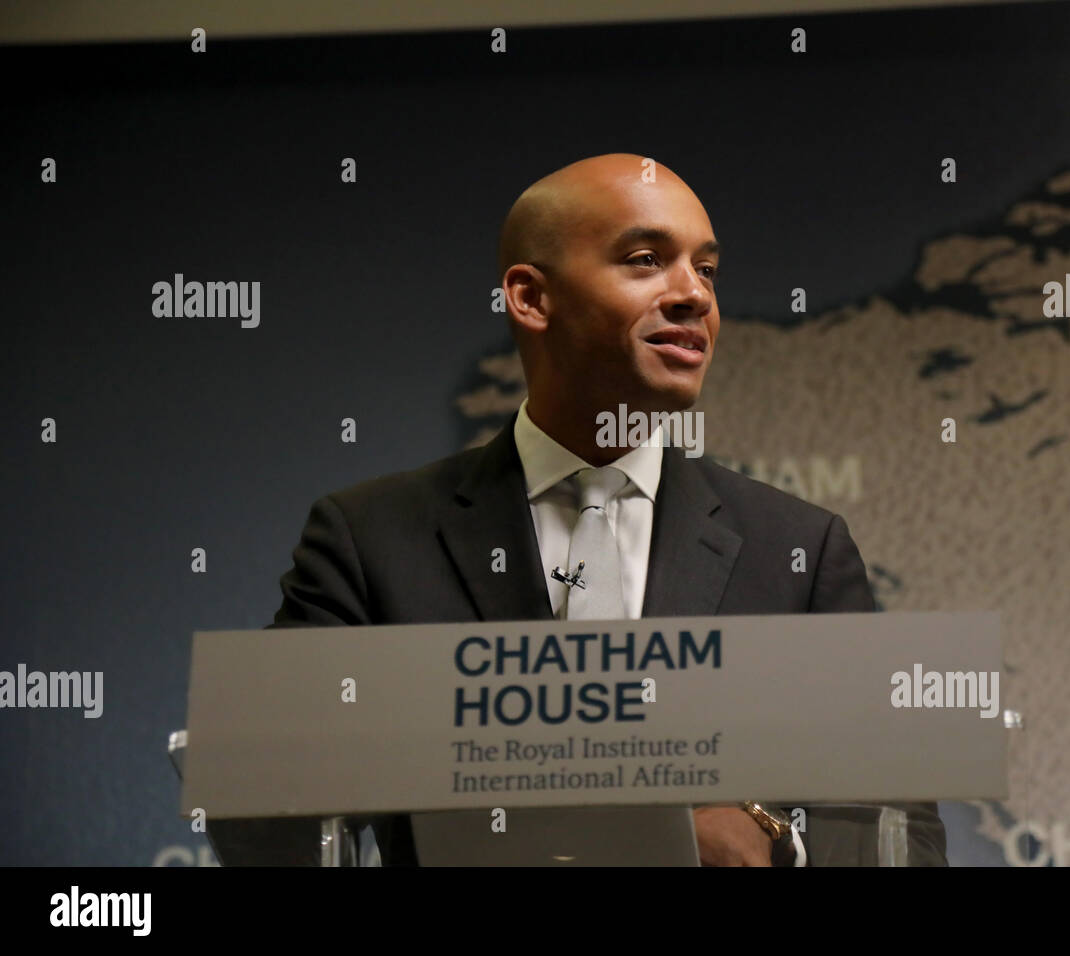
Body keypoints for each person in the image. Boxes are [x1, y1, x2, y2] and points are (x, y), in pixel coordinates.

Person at [268, 153, 946, 866]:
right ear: (531, 298)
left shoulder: (799, 551)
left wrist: (777, 842)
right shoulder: (369, 538)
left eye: (707, 270)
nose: (694, 296)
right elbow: (272, 795)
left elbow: (903, 832)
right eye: (647, 259)